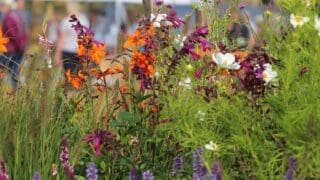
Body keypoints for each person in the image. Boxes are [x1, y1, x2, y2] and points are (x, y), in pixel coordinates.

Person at [54, 2, 89, 75]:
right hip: (80, 52)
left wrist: (57, 54)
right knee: (79, 76)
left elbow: (61, 39)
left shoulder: (65, 21)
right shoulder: (84, 20)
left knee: (69, 75)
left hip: (68, 52)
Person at [0, 0, 28, 89]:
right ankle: (16, 92)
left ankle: (15, 91)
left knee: (3, 71)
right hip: (18, 48)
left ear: (7, 6)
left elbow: (13, 34)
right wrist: (23, 46)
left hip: (10, 49)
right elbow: (23, 32)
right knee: (15, 73)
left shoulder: (8, 18)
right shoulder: (17, 16)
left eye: (2, 6)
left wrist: (20, 46)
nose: (1, 8)